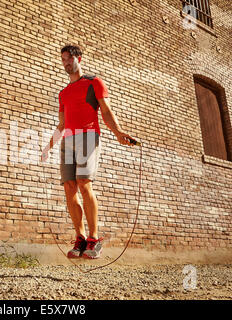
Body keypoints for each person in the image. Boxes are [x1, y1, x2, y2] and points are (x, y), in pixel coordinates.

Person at [41, 44, 137, 259]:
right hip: (67, 140)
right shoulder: (63, 93)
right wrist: (48, 146)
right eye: (63, 60)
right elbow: (62, 124)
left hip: (88, 136)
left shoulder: (94, 82)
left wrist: (119, 132)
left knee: (84, 183)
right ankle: (80, 238)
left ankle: (94, 238)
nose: (65, 63)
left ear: (79, 58)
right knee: (69, 187)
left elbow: (106, 111)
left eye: (68, 59)